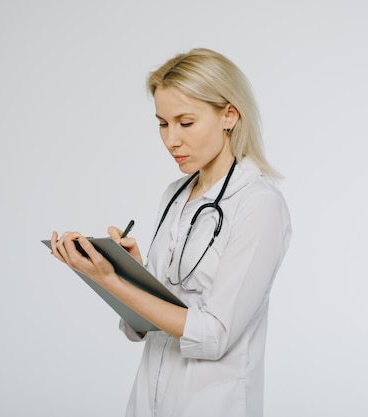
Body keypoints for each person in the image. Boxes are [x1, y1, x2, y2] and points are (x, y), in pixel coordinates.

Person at [49, 48, 292, 417]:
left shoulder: (259, 204)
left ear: (229, 115)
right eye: (163, 123)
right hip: (149, 402)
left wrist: (114, 282)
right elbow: (145, 328)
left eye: (185, 122)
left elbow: (212, 336)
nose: (170, 140)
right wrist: (132, 274)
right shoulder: (175, 194)